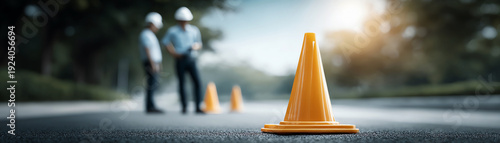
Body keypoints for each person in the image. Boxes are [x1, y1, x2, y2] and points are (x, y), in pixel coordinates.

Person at [162, 7, 204, 114]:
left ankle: (198, 106)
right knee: (182, 83)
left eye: (185, 20)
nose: (183, 22)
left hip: (191, 58)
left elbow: (199, 44)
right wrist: (173, 53)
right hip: (180, 59)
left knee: (197, 82)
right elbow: (166, 42)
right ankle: (184, 106)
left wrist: (195, 47)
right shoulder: (173, 31)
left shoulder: (194, 30)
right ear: (178, 20)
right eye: (182, 20)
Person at [139, 12, 164, 113]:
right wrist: (153, 64)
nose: (157, 28)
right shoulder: (146, 34)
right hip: (150, 62)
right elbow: (147, 49)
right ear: (152, 24)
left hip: (154, 62)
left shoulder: (150, 34)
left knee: (153, 84)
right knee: (151, 84)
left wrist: (158, 64)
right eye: (156, 26)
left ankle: (151, 105)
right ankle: (150, 106)